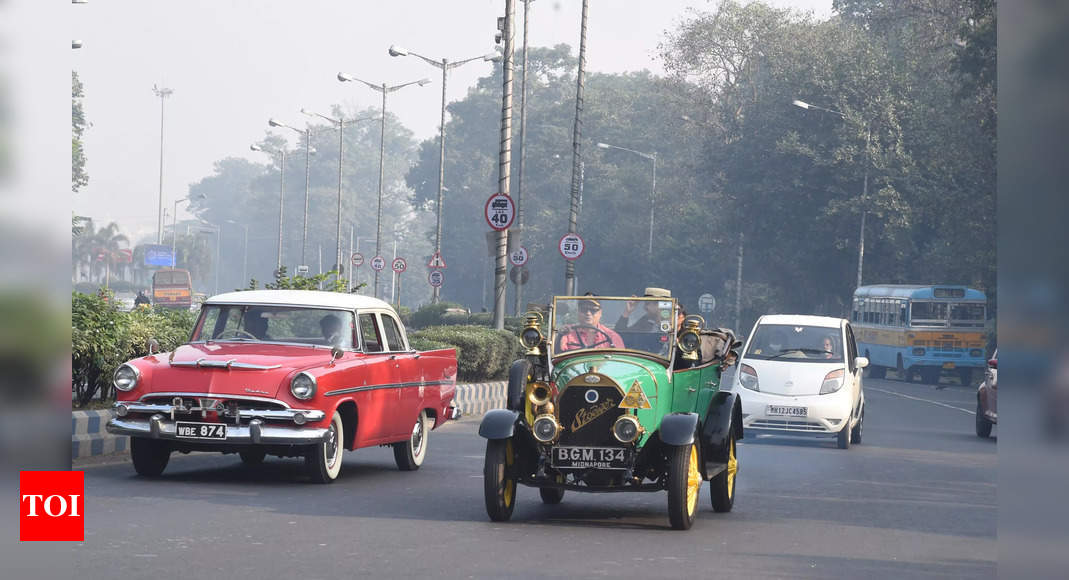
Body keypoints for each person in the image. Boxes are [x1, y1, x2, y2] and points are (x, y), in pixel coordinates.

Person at [559, 294, 625, 351]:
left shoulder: (612, 336)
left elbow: (620, 361)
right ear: (578, 312)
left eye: (593, 310)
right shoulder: (567, 333)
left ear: (600, 313)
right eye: (584, 309)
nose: (588, 313)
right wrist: (561, 335)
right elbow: (559, 359)